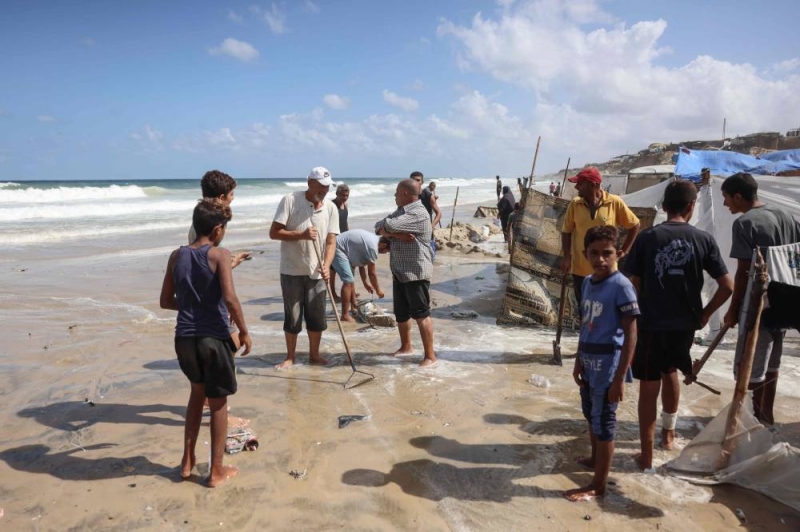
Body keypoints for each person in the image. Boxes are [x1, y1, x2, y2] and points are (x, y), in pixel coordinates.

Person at [624, 180, 733, 469]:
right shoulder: (703, 239)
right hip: (685, 325)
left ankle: (646, 456)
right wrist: (707, 313)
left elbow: (632, 283)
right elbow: (727, 286)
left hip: (651, 323)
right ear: (690, 206)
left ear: (663, 206)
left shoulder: (647, 238)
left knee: (649, 385)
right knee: (671, 371)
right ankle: (669, 434)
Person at [159, 199, 253, 488]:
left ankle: (187, 462)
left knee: (196, 396)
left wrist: (192, 308)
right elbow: (229, 299)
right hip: (213, 339)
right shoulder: (220, 255)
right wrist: (245, 331)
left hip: (184, 338)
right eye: (224, 228)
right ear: (217, 229)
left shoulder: (176, 256)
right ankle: (215, 472)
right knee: (219, 404)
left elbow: (165, 301)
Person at [565, 225, 639, 502]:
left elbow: (631, 333)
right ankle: (596, 458)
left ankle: (599, 485)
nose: (600, 259)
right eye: (594, 253)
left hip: (610, 364)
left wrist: (620, 377)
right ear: (585, 254)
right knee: (590, 413)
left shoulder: (621, 286)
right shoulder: (587, 283)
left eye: (607, 253)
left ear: (618, 253)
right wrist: (578, 359)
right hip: (588, 360)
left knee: (605, 421)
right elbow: (587, 324)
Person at [721, 172, 800, 424]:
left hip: (758, 303)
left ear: (738, 196)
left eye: (726, 198)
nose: (726, 204)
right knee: (772, 361)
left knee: (751, 362)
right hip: (787, 301)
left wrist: (733, 309)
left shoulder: (745, 223)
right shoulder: (787, 217)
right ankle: (767, 416)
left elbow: (744, 273)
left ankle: (751, 421)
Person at [269, 167, 340, 369]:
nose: (325, 190)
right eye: (321, 186)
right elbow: (274, 233)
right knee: (293, 316)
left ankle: (314, 355)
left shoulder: (330, 208)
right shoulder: (290, 200)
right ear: (310, 182)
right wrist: (300, 235)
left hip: (317, 272)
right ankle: (290, 356)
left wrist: (326, 265)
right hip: (291, 270)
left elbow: (331, 241)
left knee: (316, 317)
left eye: (327, 187)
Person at [560, 167, 640, 313]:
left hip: (607, 270)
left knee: (607, 310)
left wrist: (624, 251)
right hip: (580, 269)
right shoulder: (575, 204)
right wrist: (566, 257)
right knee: (585, 311)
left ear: (593, 184)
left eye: (580, 184)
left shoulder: (614, 202)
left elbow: (634, 225)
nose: (577, 187)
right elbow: (566, 231)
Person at [375, 179, 436, 367]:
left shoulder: (417, 213)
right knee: (401, 314)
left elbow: (388, 225)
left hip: (415, 271)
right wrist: (396, 236)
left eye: (396, 193)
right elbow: (378, 226)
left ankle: (430, 356)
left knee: (421, 314)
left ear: (404, 194)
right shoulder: (402, 212)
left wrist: (391, 231)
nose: (394, 196)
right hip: (400, 270)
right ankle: (406, 346)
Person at [188, 170, 250, 269]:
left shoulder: (199, 219)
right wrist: (233, 263)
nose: (233, 198)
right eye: (231, 194)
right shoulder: (214, 225)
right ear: (221, 198)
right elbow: (209, 268)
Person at [330, 229, 390, 321]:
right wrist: (378, 290)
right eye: (387, 250)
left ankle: (353, 306)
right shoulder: (373, 247)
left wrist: (365, 283)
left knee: (350, 277)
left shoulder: (373, 240)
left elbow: (361, 264)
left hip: (342, 247)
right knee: (348, 281)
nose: (385, 253)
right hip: (337, 247)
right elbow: (372, 273)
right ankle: (344, 315)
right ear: (384, 245)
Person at [410, 171, 442, 260]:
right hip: (413, 233)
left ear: (422, 182)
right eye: (412, 180)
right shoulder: (407, 195)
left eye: (417, 180)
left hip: (427, 233)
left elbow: (438, 213)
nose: (415, 182)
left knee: (429, 258)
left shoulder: (427, 195)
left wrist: (431, 226)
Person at [330, 183, 351, 302]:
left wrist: (348, 235)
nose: (344, 197)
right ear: (336, 194)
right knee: (332, 270)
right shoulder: (331, 205)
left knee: (345, 266)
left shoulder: (345, 205)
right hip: (334, 240)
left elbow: (345, 222)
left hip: (343, 239)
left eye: (346, 195)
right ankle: (333, 294)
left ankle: (348, 290)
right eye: (342, 195)